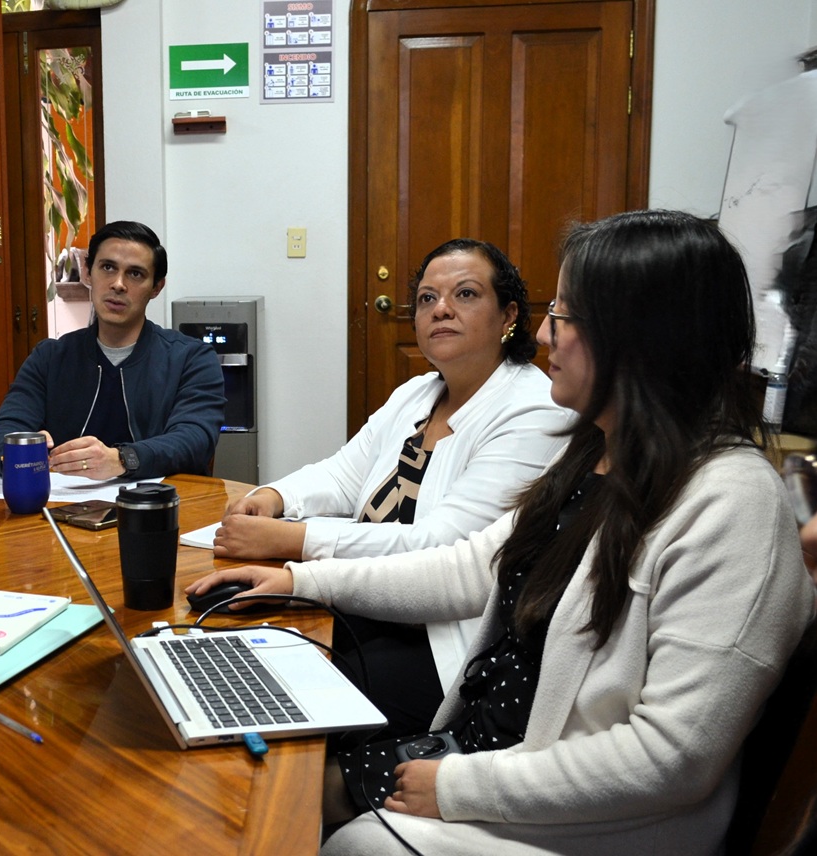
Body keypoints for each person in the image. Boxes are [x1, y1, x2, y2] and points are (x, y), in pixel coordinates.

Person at [188, 210, 814, 855]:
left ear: (644, 337)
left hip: (583, 813)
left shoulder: (731, 504)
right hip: (487, 749)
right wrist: (298, 580)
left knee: (328, 831)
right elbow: (467, 569)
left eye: (566, 317)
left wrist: (457, 786)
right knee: (256, 789)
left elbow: (672, 758)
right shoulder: (594, 456)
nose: (545, 336)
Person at [216, 238, 573, 734]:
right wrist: (274, 498)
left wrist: (296, 540)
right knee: (247, 637)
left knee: (297, 687)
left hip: (442, 634)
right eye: (427, 299)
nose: (441, 309)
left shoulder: (533, 410)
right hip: (368, 597)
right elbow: (344, 473)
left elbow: (441, 547)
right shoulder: (419, 391)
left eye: (465, 295)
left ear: (508, 315)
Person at [0, 220, 225, 480]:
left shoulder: (191, 359)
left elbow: (194, 440)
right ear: (87, 273)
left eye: (135, 274)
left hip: (160, 509)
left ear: (156, 287)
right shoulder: (50, 358)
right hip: (63, 508)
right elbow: (3, 433)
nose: (118, 284)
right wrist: (19, 452)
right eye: (108, 267)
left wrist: (122, 459)